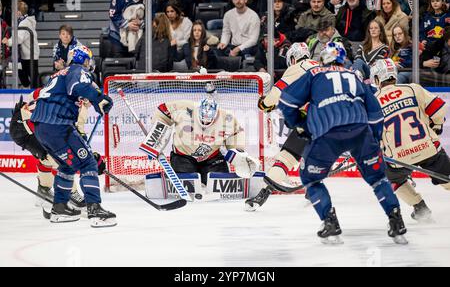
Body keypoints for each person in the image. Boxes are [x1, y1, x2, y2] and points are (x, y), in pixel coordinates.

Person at [277, 42, 408, 244]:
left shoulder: (314, 74)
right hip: (360, 132)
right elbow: (375, 113)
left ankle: (330, 221)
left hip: (326, 136)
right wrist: (373, 138)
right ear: (342, 58)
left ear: (324, 58)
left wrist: (300, 124)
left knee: (311, 180)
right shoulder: (355, 76)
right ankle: (396, 220)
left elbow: (285, 103)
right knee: (378, 178)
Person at [30, 45, 116, 228]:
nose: (89, 64)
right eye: (88, 60)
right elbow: (78, 86)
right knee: (88, 163)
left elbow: (73, 91)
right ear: (84, 59)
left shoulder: (60, 73)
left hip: (41, 127)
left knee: (67, 165)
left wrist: (95, 101)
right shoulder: (78, 70)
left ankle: (59, 208)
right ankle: (95, 209)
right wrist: (99, 98)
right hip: (58, 125)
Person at [371, 58, 450, 222]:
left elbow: (372, 135)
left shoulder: (373, 101)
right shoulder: (412, 89)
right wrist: (435, 127)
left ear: (377, 79)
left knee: (392, 179)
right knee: (447, 177)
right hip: (427, 147)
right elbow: (440, 109)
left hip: (399, 157)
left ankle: (420, 208)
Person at [245, 42, 319, 211]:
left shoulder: (297, 67)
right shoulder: (319, 65)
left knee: (287, 157)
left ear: (293, 58)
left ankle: (264, 193)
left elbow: (276, 93)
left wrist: (265, 104)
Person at [146, 83, 260, 185]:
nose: (205, 122)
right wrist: (155, 139)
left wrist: (237, 151)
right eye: (203, 120)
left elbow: (236, 133)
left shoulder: (227, 117)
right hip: (183, 156)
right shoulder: (185, 107)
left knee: (221, 185)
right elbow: (163, 110)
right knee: (187, 185)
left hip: (212, 157)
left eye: (208, 121)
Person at [9, 91, 98, 209]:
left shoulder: (78, 104)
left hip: (34, 125)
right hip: (23, 127)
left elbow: (78, 133)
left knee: (47, 157)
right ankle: (71, 193)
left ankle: (43, 189)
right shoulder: (70, 101)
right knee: (59, 157)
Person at [1, 1, 40, 88]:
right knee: (25, 72)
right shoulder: (22, 21)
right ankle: (30, 87)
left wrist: (8, 41)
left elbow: (19, 38)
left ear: (18, 12)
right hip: (27, 54)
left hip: (29, 54)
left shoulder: (24, 22)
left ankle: (35, 91)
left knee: (32, 75)